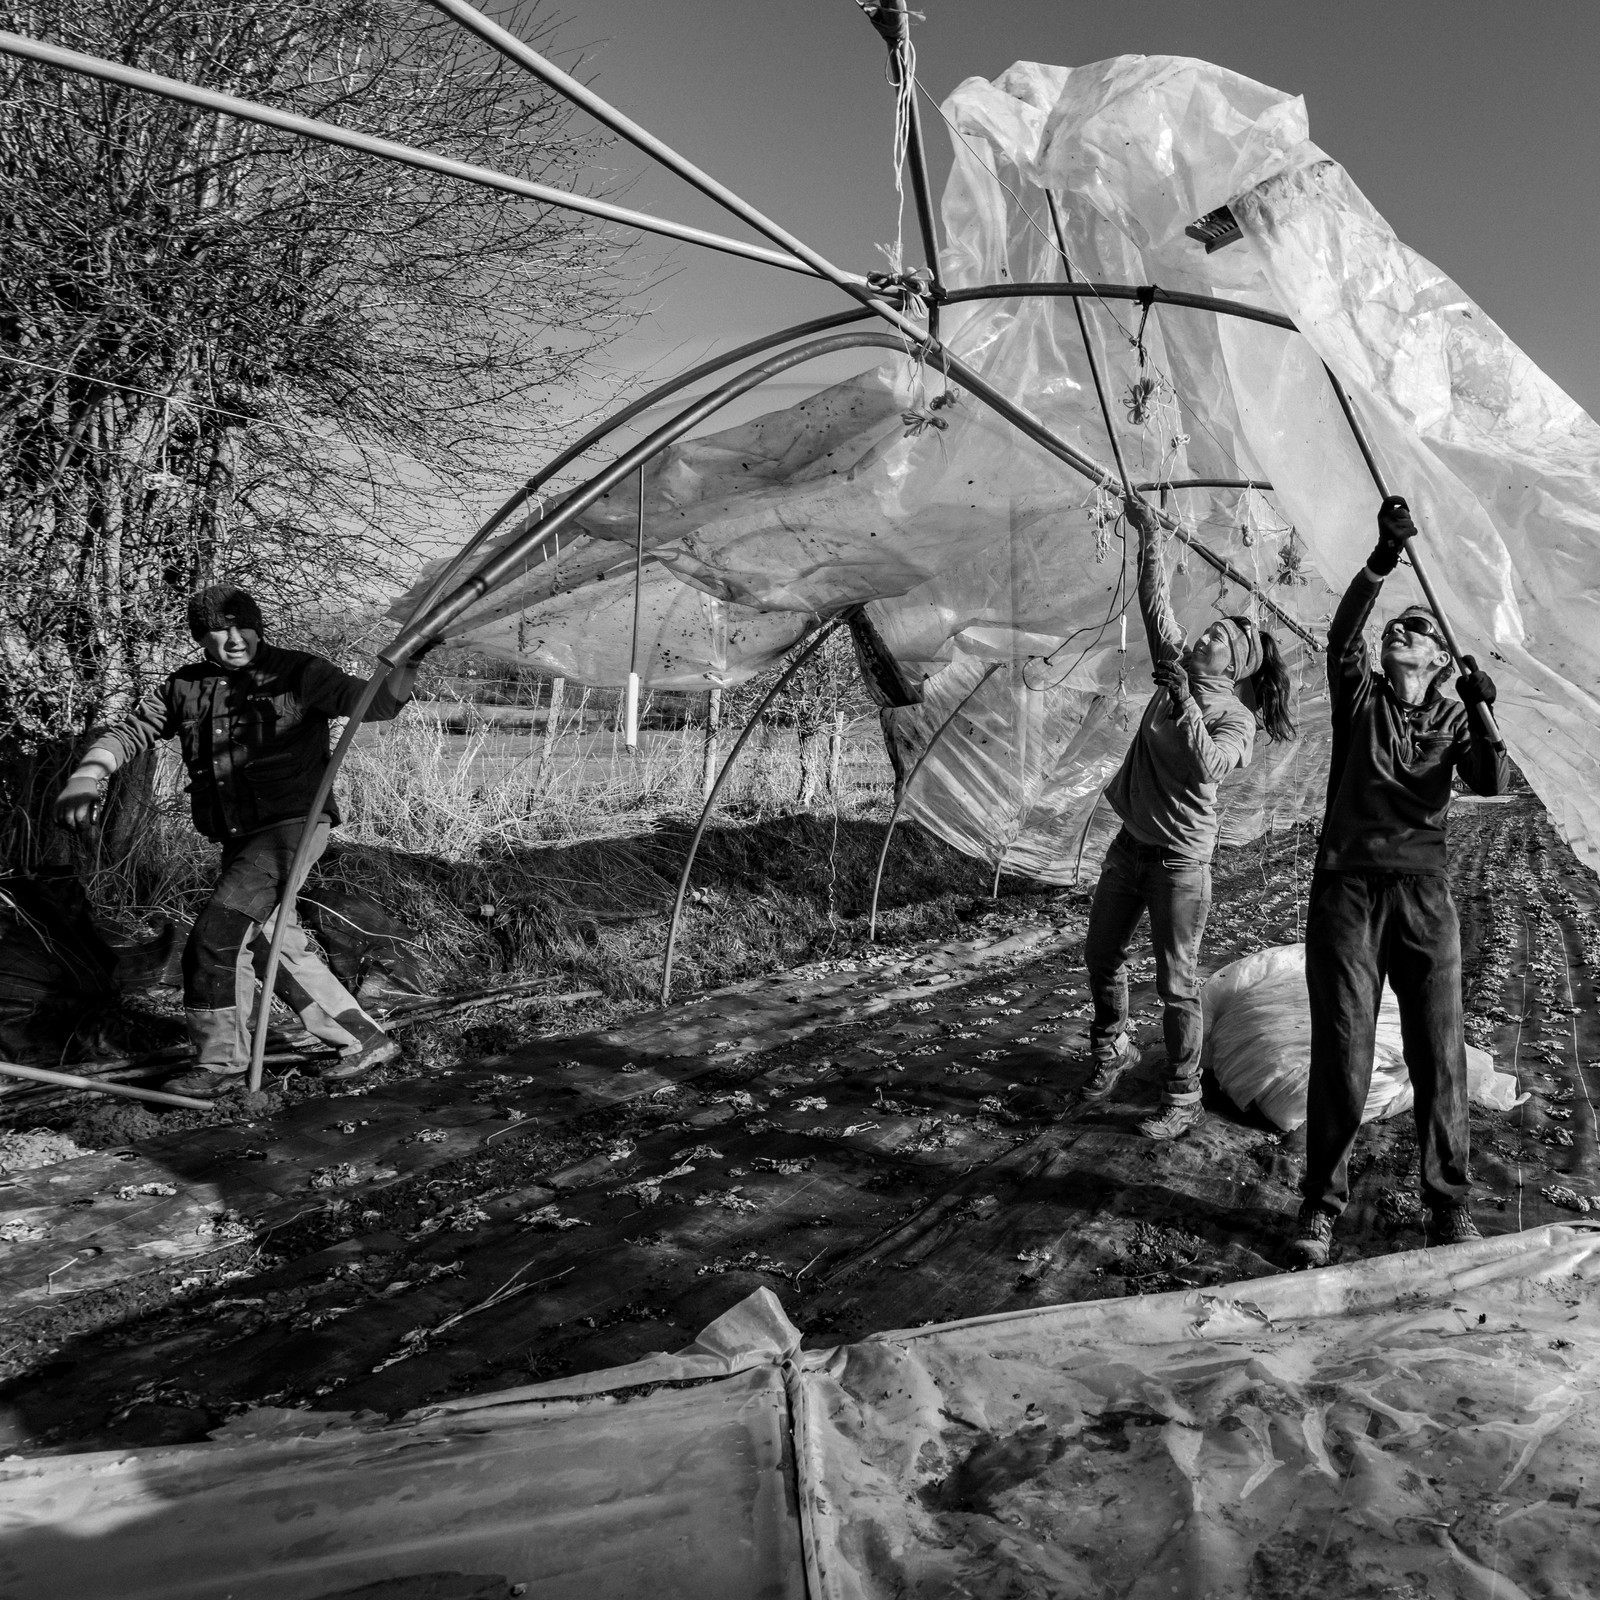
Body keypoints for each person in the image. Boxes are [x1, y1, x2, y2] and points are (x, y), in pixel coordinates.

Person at [55, 584, 426, 1096]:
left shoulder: (298, 672)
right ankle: (361, 1039)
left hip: (293, 828)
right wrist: (87, 776)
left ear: (257, 625)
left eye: (240, 626)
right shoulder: (184, 686)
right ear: (199, 638)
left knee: (215, 936)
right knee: (277, 941)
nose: (231, 639)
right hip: (238, 837)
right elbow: (130, 732)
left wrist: (409, 660)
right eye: (215, 631)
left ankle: (219, 1062)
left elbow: (374, 703)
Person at [1292, 496, 1508, 1267]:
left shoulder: (1449, 723)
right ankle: (1319, 1207)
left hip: (1423, 897)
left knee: (1438, 1053)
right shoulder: (1360, 700)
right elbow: (1343, 633)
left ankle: (1447, 1206)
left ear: (1440, 661)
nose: (1398, 632)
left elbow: (1487, 781)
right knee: (1344, 1052)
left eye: (1415, 629)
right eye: (1397, 628)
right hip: (1347, 892)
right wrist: (1382, 558)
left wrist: (1485, 715)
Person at [1082, 501, 1296, 1139]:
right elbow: (1156, 607)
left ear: (1234, 667)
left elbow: (1207, 767)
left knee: (1176, 983)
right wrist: (1150, 537)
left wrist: (1180, 695)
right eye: (1207, 632)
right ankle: (1110, 1045)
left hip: (1180, 862)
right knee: (1102, 955)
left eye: (1219, 641)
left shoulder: (1236, 719)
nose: (1203, 638)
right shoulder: (1176, 658)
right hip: (1131, 847)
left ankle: (1182, 1095)